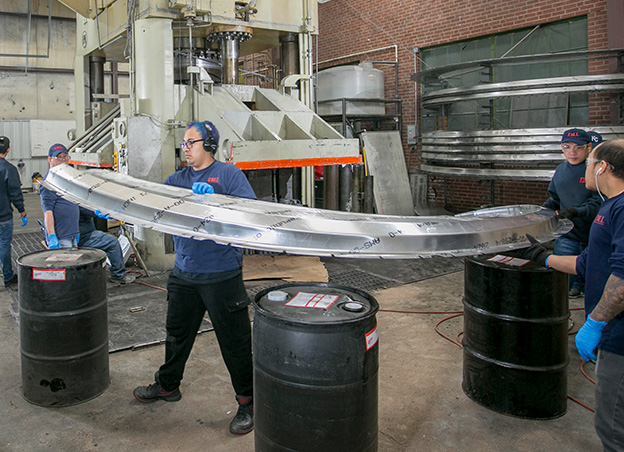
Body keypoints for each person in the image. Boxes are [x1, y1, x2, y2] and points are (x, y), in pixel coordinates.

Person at [133, 121, 256, 435]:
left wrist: (214, 198)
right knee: (176, 335)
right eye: (183, 143)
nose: (185, 148)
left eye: (191, 142)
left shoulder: (229, 175)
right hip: (184, 274)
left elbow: (251, 212)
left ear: (209, 144)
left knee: (235, 342)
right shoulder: (176, 180)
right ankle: (168, 386)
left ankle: (248, 401)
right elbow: (156, 210)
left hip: (221, 274)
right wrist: (124, 211)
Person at [521, 139, 624, 452]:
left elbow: (623, 278)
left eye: (590, 162)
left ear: (602, 166)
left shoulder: (621, 208)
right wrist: (541, 257)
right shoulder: (610, 206)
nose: (586, 169)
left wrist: (594, 322)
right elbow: (586, 262)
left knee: (613, 427)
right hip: (611, 333)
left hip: (618, 336)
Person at [542, 128, 602, 298]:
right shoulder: (561, 170)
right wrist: (543, 210)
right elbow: (555, 197)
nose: (572, 152)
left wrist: (576, 211)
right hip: (568, 235)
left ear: (588, 147)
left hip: (592, 235)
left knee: (592, 281)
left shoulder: (595, 170)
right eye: (567, 147)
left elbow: (598, 201)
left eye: (578, 147)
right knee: (562, 280)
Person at [78, 207, 135, 284]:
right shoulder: (75, 201)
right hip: (84, 236)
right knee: (112, 243)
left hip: (79, 234)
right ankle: (118, 275)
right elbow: (87, 210)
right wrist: (101, 211)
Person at [40, 144, 79, 249]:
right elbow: (48, 212)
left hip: (71, 234)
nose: (63, 160)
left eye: (65, 157)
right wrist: (51, 235)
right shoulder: (48, 183)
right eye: (58, 157)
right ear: (50, 159)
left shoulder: (67, 179)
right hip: (61, 236)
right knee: (65, 264)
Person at [0, 136, 27, 288]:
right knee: (4, 244)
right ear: (8, 150)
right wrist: (21, 210)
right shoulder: (9, 169)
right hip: (3, 215)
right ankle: (8, 276)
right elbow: (15, 192)